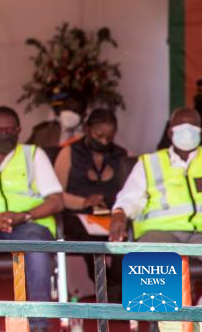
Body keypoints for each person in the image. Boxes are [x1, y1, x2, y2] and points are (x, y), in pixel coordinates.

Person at [0, 106, 63, 331]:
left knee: (37, 249)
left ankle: (40, 323)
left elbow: (57, 201)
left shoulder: (33, 155)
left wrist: (25, 215)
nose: (4, 134)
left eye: (10, 129)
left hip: (29, 226)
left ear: (19, 130)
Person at [53, 108, 128, 301]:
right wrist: (84, 201)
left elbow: (130, 191)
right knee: (89, 239)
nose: (104, 141)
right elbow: (55, 194)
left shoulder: (121, 155)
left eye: (109, 137)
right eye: (99, 135)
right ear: (86, 129)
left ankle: (114, 287)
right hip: (76, 215)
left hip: (111, 215)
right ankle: (108, 288)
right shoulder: (69, 153)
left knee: (123, 236)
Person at [110, 107, 202, 245]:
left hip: (200, 234)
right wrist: (120, 212)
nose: (187, 132)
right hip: (160, 232)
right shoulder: (149, 163)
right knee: (152, 255)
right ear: (170, 133)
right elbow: (130, 196)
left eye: (192, 127)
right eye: (182, 127)